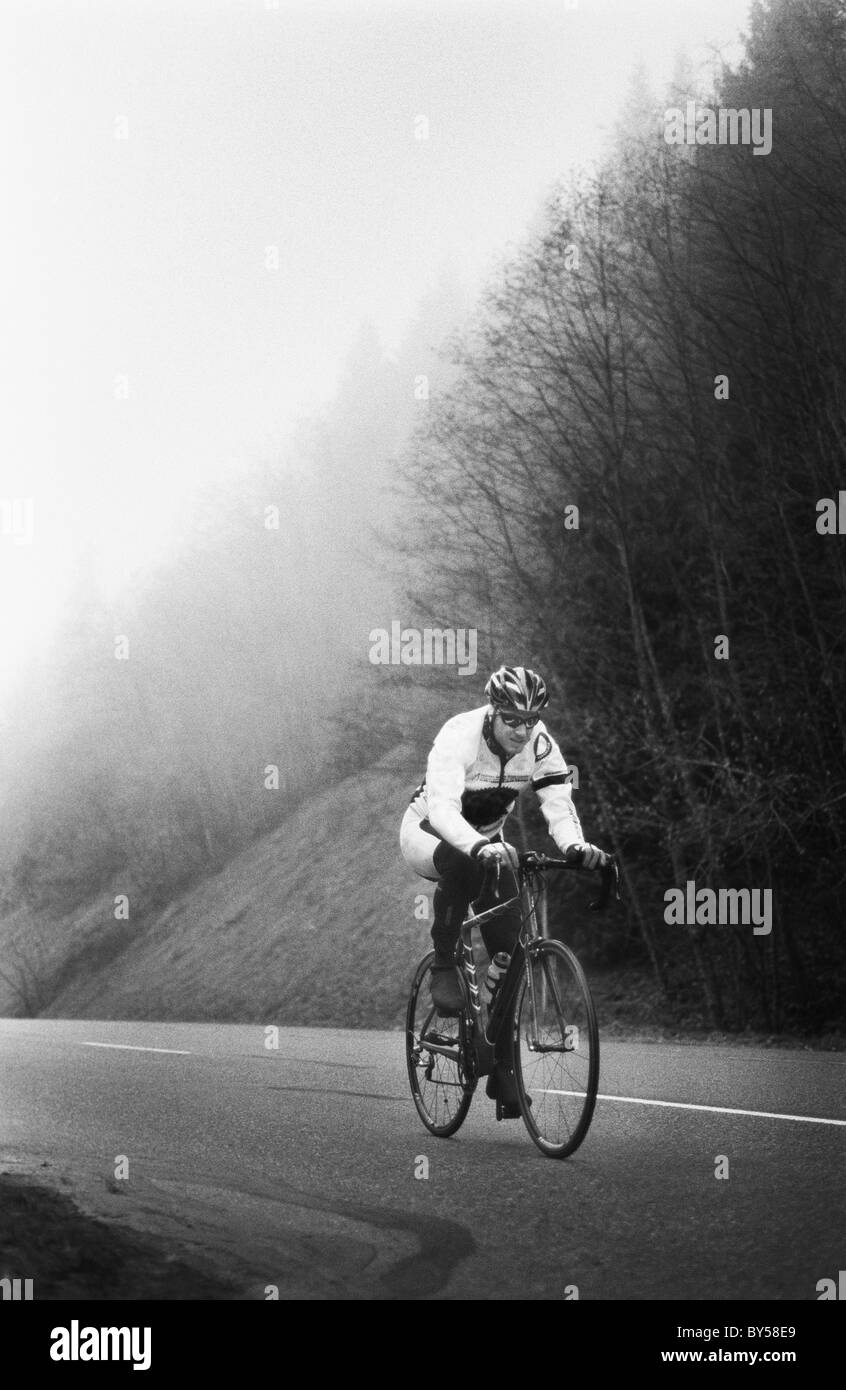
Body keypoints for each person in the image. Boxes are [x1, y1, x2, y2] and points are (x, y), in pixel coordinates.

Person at [400, 664, 608, 1117]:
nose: (522, 729)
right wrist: (479, 846)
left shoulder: (539, 744)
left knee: (511, 950)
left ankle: (504, 1066)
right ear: (493, 712)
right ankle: (443, 960)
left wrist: (575, 846)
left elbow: (558, 801)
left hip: (487, 842)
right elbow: (443, 809)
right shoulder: (459, 735)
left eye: (531, 719)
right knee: (464, 862)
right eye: (511, 718)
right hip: (430, 832)